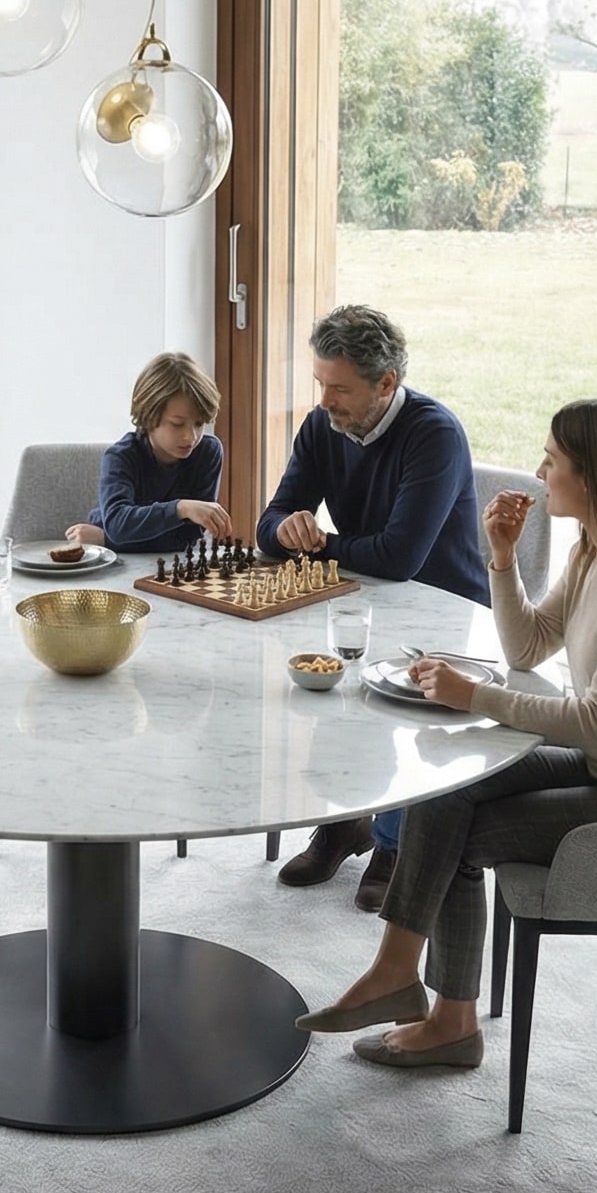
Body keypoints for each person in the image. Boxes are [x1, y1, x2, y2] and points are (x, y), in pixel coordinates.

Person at [296, 396, 597, 1068]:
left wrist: (478, 696)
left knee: (458, 831)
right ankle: (411, 987)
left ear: (592, 477)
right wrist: (502, 559)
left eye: (552, 461)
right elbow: (529, 649)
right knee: (446, 781)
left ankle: (441, 1016)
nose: (539, 471)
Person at [256, 304, 487, 909]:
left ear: (386, 384)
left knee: (376, 692)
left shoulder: (434, 433)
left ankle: (393, 842)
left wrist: (322, 544)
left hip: (444, 613)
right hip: (365, 600)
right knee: (322, 684)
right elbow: (268, 522)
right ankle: (345, 822)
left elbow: (399, 558)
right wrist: (287, 531)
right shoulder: (320, 426)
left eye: (340, 388)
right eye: (320, 384)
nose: (325, 400)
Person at [65, 350, 231, 555]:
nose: (191, 437)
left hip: (162, 562)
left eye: (198, 424)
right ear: (149, 416)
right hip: (112, 563)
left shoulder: (208, 452)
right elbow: (119, 525)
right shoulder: (120, 457)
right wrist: (181, 509)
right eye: (177, 424)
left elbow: (186, 539)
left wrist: (105, 539)